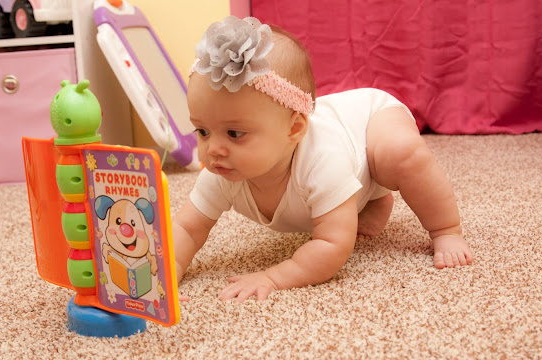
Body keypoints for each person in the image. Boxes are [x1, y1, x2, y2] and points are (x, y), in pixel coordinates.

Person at [172, 16, 473, 303]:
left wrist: (273, 277)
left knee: (399, 153)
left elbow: (333, 246)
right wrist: (165, 274)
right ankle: (371, 200)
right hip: (345, 147)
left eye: (235, 133)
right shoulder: (221, 171)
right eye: (203, 131)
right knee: (346, 200)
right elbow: (187, 229)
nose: (214, 149)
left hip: (371, 119)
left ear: (294, 129)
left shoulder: (322, 161)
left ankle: (445, 229)